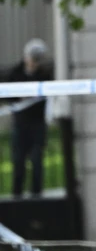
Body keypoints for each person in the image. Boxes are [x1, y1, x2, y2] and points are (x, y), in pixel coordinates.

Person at [1, 39, 54, 198]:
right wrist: (19, 98)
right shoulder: (15, 73)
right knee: (18, 160)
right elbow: (7, 95)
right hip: (20, 123)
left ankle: (37, 194)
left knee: (37, 160)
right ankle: (17, 194)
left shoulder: (44, 75)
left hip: (37, 123)